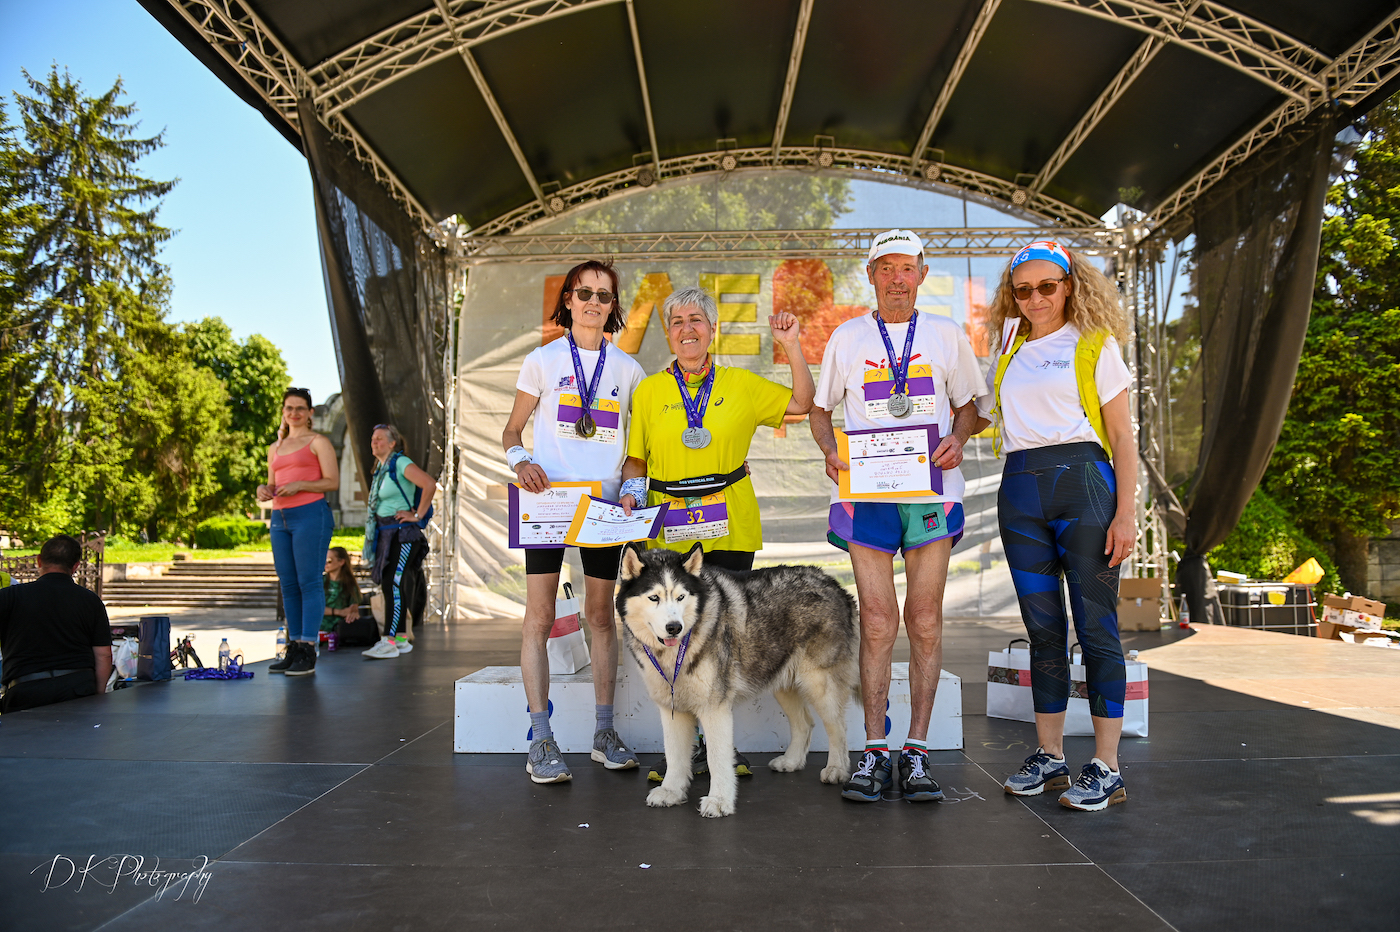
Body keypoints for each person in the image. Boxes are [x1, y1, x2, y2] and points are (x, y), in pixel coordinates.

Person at [808, 229, 984, 803]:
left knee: (925, 619)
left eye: (907, 268)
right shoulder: (848, 336)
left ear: (923, 274)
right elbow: (819, 409)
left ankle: (917, 750)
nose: (898, 279)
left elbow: (970, 408)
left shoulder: (946, 334)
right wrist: (830, 452)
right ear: (872, 275)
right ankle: (875, 750)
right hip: (866, 493)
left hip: (932, 492)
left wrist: (958, 438)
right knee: (879, 620)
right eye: (886, 268)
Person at [619, 285, 813, 780]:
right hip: (668, 527)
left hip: (730, 521)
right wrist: (631, 503)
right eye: (678, 321)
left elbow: (802, 403)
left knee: (722, 638)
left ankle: (717, 749)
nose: (687, 329)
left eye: (697, 320)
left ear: (712, 329)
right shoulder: (648, 391)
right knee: (670, 642)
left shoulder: (742, 384)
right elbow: (637, 460)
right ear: (668, 331)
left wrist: (791, 344)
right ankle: (680, 757)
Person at [972, 240, 1136, 811]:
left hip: (1085, 487)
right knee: (1043, 632)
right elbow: (985, 414)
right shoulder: (1011, 344)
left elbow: (1122, 438)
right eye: (1023, 290)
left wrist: (1127, 511)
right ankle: (1050, 757)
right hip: (1020, 490)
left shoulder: (1095, 344)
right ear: (1011, 297)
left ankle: (1108, 767)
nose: (1036, 298)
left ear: (1070, 286)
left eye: (1047, 286)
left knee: (1096, 629)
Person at [503, 259, 647, 784]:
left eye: (603, 296)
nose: (592, 302)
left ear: (613, 308)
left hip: (605, 510)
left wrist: (633, 487)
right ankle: (541, 738)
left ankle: (604, 732)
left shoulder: (629, 370)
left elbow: (637, 449)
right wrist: (522, 463)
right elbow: (512, 431)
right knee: (539, 617)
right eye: (583, 292)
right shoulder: (541, 361)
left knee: (602, 616)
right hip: (548, 503)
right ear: (567, 300)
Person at [257, 387, 338, 677]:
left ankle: (308, 647)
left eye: (300, 408)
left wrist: (302, 485)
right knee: (288, 584)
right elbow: (272, 482)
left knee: (309, 582)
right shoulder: (274, 448)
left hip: (310, 515)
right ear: (283, 412)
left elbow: (332, 481)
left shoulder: (318, 442)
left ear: (310, 413)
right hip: (280, 518)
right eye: (289, 408)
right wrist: (263, 489)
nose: (294, 413)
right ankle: (294, 646)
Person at [0, 535, 112, 713]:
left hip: (26, 690)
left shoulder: (10, 597)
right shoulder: (90, 600)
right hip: (78, 689)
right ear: (75, 566)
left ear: (39, 561)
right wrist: (97, 694)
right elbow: (104, 654)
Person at [361, 423, 437, 659]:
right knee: (391, 583)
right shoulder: (381, 468)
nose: (375, 442)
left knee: (393, 583)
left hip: (402, 534)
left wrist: (418, 515)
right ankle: (401, 639)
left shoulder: (399, 462)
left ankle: (390, 639)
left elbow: (429, 484)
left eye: (380, 439)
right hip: (386, 534)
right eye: (373, 439)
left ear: (392, 443)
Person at [322, 546, 362, 636]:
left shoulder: (350, 584)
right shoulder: (319, 582)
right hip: (319, 630)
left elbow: (353, 608)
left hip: (340, 631)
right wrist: (340, 612)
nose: (325, 563)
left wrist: (353, 613)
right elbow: (313, 608)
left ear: (341, 562)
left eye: (329, 560)